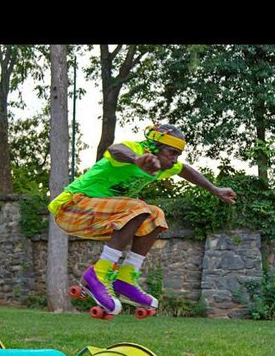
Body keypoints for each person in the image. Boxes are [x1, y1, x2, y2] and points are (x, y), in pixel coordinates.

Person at [48, 122, 237, 315]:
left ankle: (126, 277)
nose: (174, 159)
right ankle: (100, 273)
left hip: (98, 216)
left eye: (177, 154)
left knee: (155, 215)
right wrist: (136, 159)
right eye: (171, 153)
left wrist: (215, 189)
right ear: (155, 148)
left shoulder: (164, 166)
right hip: (72, 206)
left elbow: (185, 170)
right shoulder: (135, 150)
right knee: (138, 207)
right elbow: (115, 150)